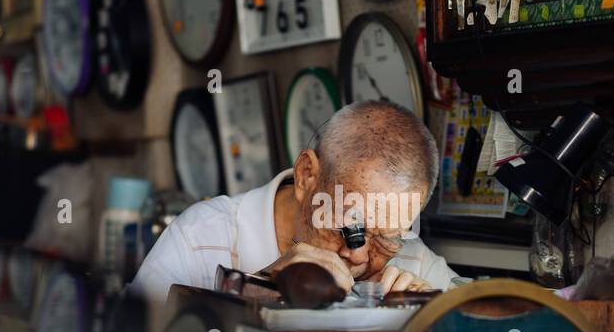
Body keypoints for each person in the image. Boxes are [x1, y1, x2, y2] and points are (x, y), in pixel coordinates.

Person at [132, 100, 456, 303]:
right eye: (349, 227)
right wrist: (262, 287)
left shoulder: (412, 260)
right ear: (306, 175)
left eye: (385, 239)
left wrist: (430, 317)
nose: (357, 256)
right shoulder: (198, 239)